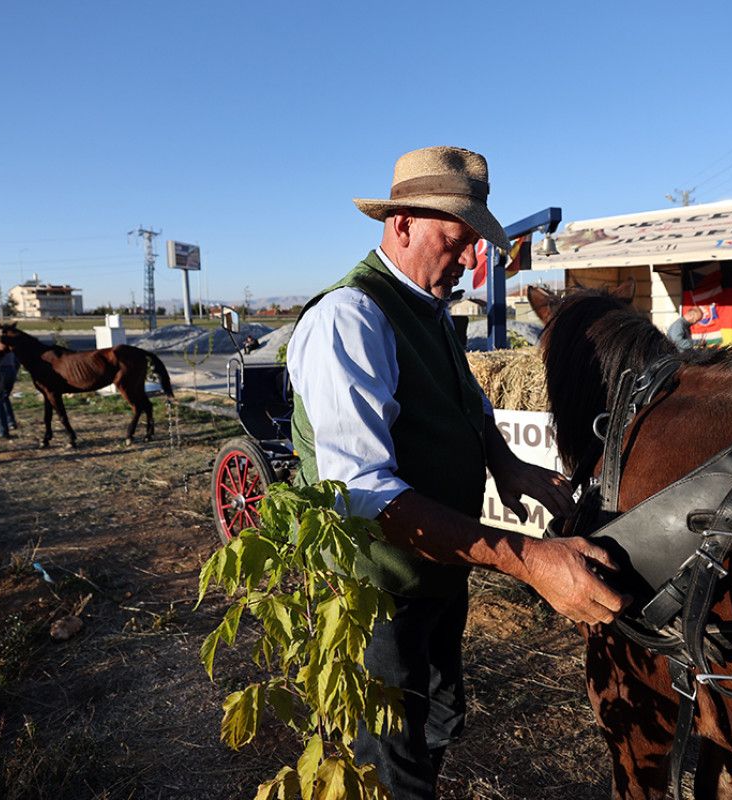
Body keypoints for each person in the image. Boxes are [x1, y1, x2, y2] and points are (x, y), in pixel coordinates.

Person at [287, 146, 628, 799]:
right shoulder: (350, 318)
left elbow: (470, 404)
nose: (472, 261)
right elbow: (363, 494)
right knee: (390, 759)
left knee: (439, 719)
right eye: (458, 240)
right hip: (377, 591)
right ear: (402, 224)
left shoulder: (431, 310)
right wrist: (530, 560)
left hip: (437, 570)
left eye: (476, 243)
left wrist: (510, 467)